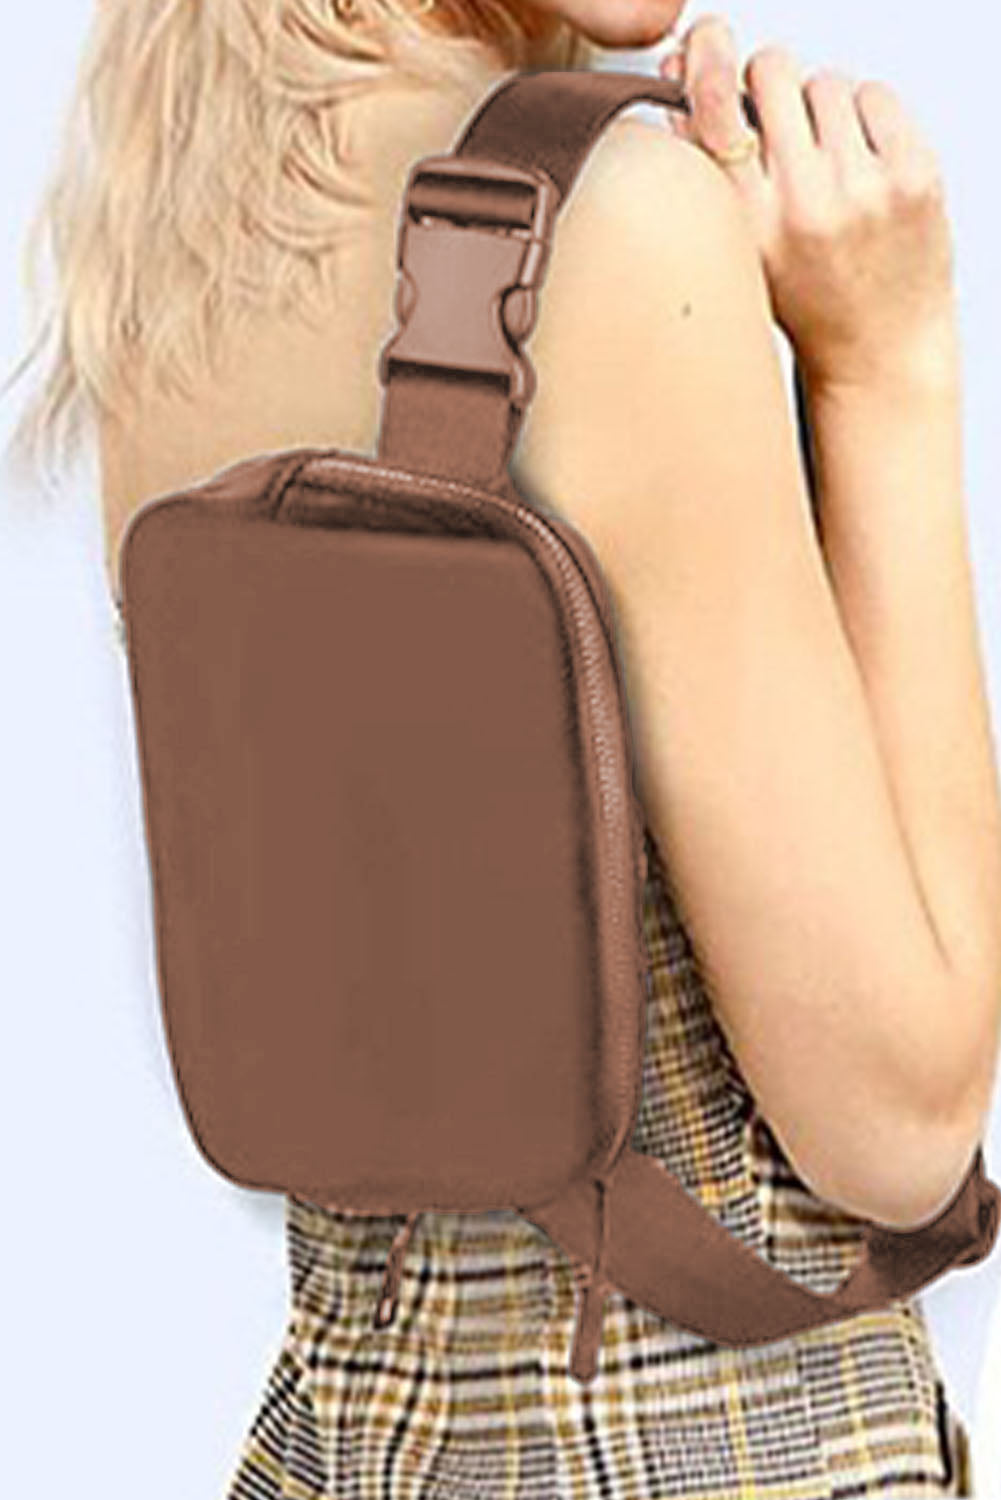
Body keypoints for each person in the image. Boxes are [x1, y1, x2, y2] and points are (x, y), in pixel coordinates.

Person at [5, 0, 1000, 1494]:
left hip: (350, 1445)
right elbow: (900, 1127)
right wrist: (883, 361)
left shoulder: (177, 254)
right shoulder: (611, 230)